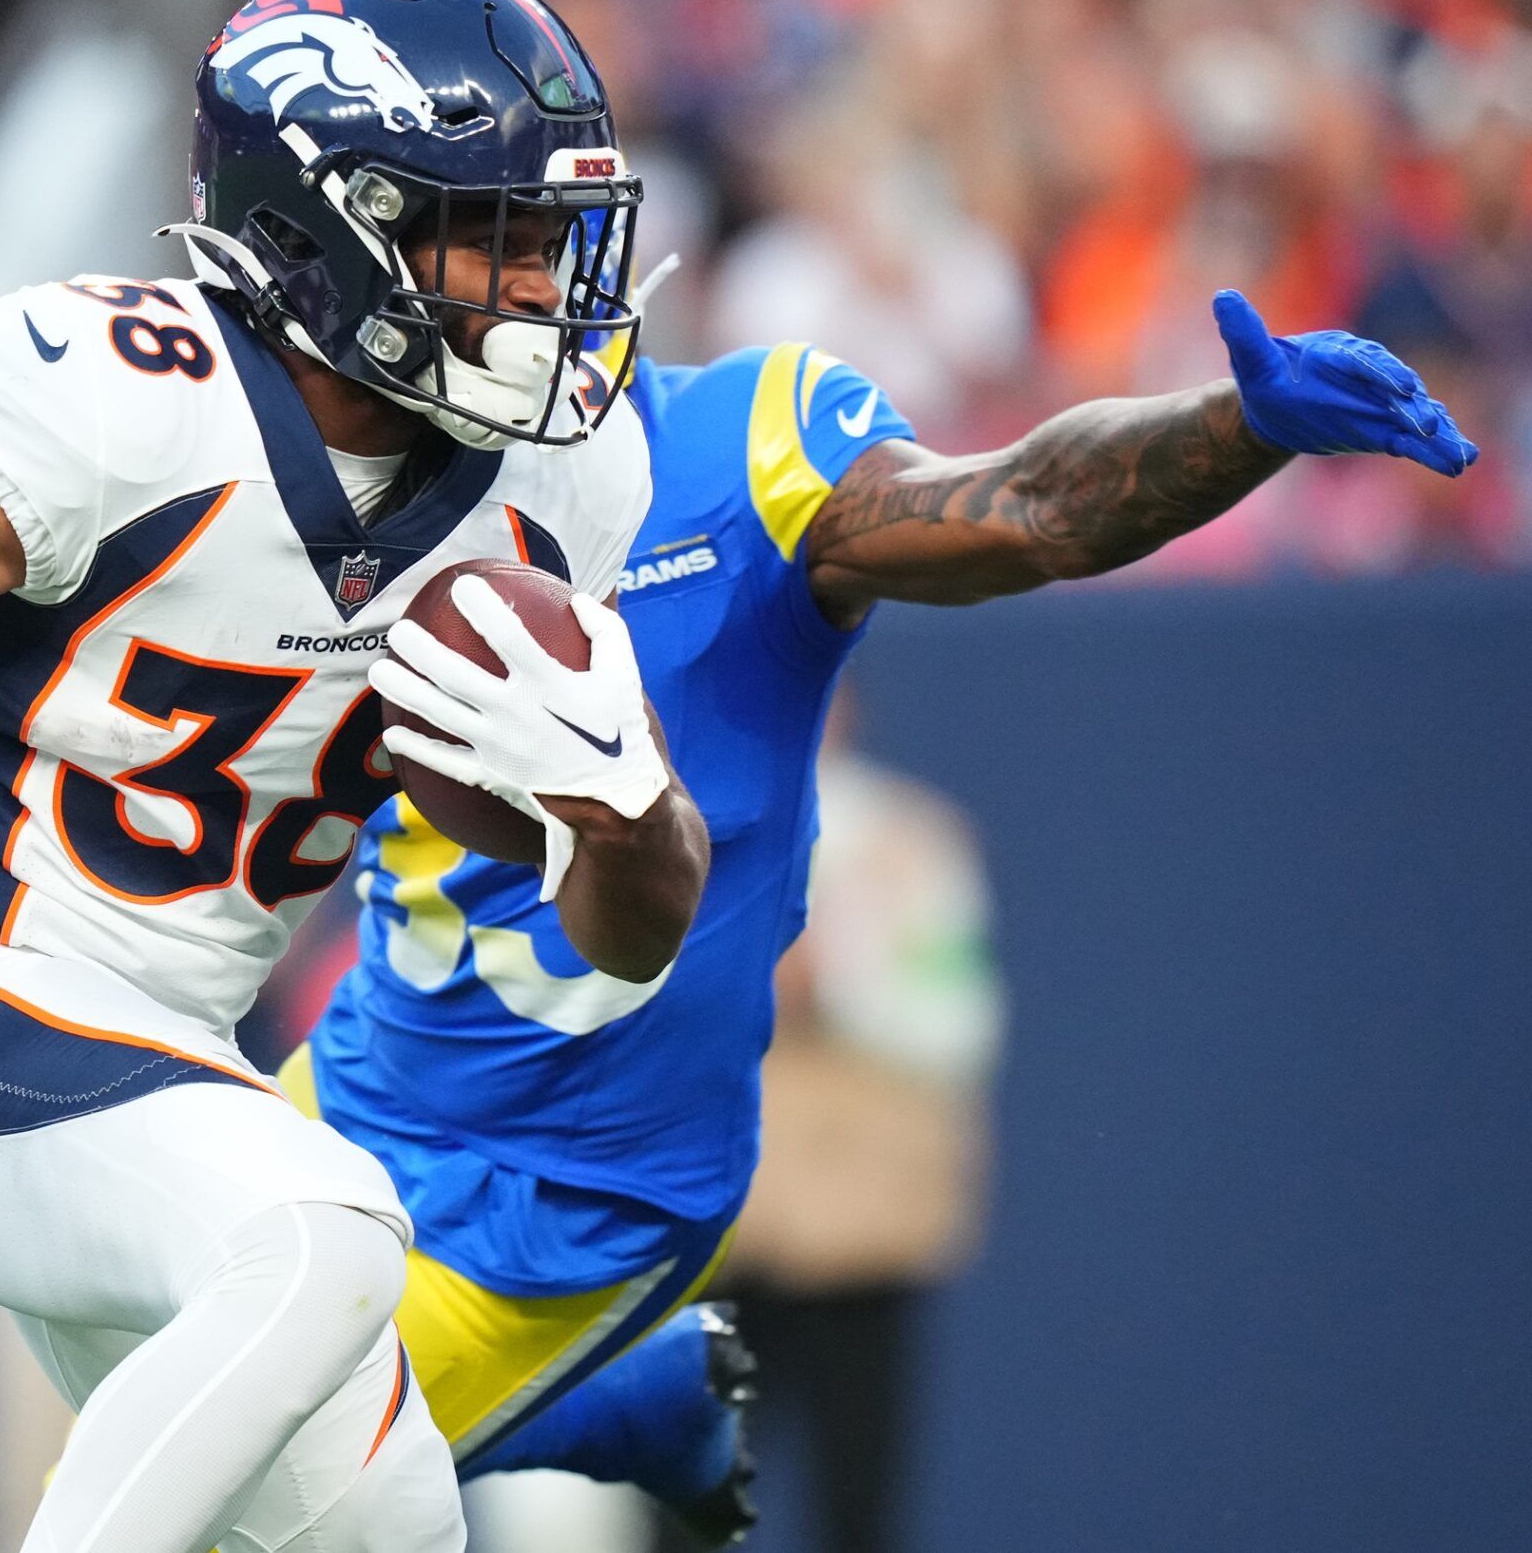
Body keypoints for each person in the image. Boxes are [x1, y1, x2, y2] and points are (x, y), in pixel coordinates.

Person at [0, 0, 705, 1553]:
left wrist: (624, 811)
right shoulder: (134, 403)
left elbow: (632, 939)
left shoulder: (564, 485)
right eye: (491, 236)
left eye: (553, 240)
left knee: (401, 1535)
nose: (540, 290)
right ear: (319, 224)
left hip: (172, 1091)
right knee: (327, 1235)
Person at [293, 265, 1475, 1538]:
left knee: (270, 1477)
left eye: (527, 237)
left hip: (582, 1189)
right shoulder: (339, 477)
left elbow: (1028, 501)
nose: (513, 282)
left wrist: (1235, 428)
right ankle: (620, 1399)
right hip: (368, 1075)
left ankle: (606, 1393)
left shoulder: (740, 444)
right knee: (126, 1347)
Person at [714, 689, 1004, 1553]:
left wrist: (838, 979)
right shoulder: (693, 830)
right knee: (690, 1492)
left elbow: (962, 1020)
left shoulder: (910, 841)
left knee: (858, 1496)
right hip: (719, 1221)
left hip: (861, 1224)